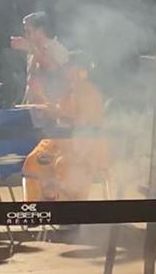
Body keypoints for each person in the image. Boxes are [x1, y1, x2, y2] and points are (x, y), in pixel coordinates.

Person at [22, 57, 107, 201]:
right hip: (59, 142)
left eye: (70, 68)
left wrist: (54, 111)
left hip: (85, 145)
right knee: (32, 163)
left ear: (82, 71)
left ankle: (68, 210)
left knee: (64, 166)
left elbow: (82, 123)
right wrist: (41, 99)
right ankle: (34, 209)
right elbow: (59, 116)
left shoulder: (89, 92)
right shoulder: (68, 91)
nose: (67, 72)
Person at [12, 12, 70, 107]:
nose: (25, 35)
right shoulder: (32, 52)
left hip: (52, 108)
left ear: (40, 31)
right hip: (34, 108)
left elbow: (53, 70)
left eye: (28, 31)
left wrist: (31, 49)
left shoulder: (56, 49)